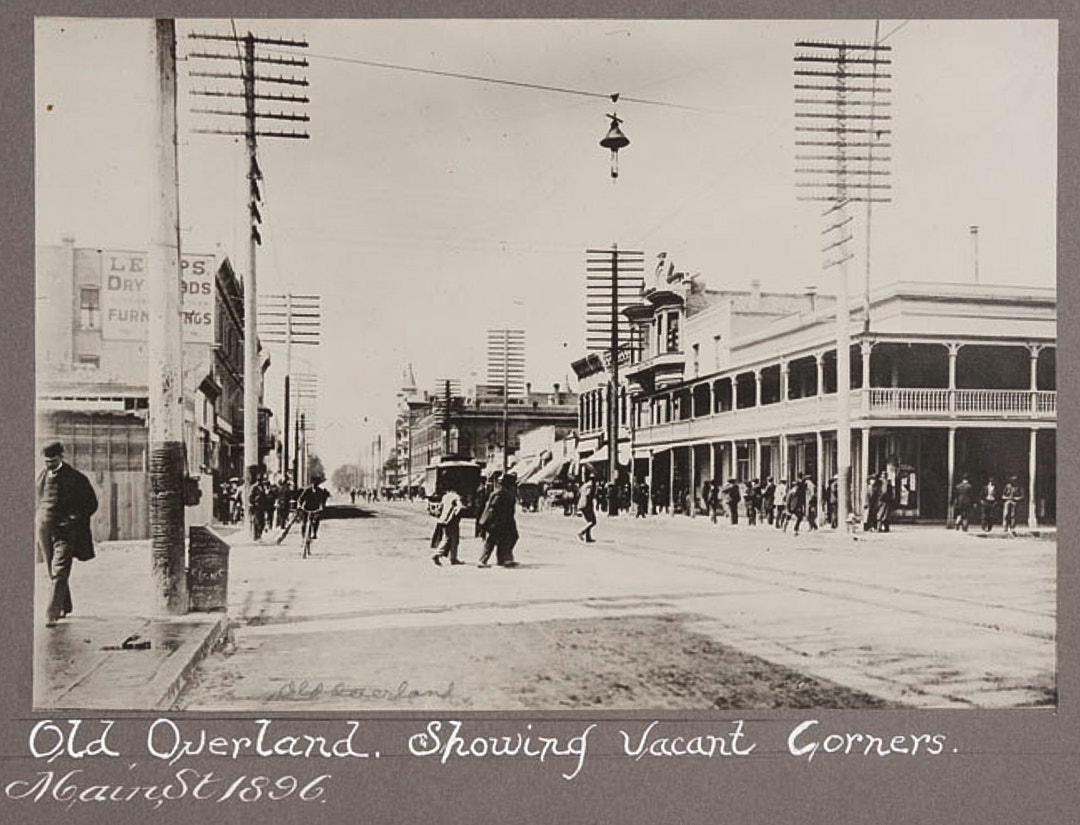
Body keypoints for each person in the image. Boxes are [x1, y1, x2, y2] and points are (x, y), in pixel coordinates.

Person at [35, 442, 98, 628]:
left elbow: (91, 504)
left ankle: (51, 614)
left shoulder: (76, 478)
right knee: (51, 570)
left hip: (66, 531)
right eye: (46, 462)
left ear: (61, 456)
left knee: (59, 570)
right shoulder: (40, 477)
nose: (49, 465)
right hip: (44, 529)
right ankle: (65, 605)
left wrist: (73, 518)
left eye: (53, 461)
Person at [477, 473, 519, 567]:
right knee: (493, 540)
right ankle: (483, 560)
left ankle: (503, 559)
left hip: (504, 521)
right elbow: (493, 508)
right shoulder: (501, 493)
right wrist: (490, 522)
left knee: (508, 538)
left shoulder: (503, 492)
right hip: (497, 521)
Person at [431, 486, 465, 566]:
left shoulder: (445, 496)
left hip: (443, 520)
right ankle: (437, 554)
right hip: (451, 521)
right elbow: (459, 507)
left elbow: (440, 507)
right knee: (452, 539)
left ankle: (453, 558)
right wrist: (456, 514)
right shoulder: (456, 497)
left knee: (449, 538)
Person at [296, 476, 330, 542]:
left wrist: (322, 506)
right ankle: (303, 536)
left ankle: (314, 533)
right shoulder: (307, 490)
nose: (315, 484)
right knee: (304, 523)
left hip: (315, 509)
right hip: (306, 508)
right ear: (312, 483)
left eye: (316, 483)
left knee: (316, 520)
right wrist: (300, 506)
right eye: (314, 482)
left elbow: (323, 499)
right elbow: (300, 499)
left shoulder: (320, 491)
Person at [576, 471, 597, 543]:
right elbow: (588, 495)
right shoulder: (590, 485)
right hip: (586, 504)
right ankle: (581, 532)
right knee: (593, 522)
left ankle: (588, 538)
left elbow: (578, 493)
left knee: (588, 521)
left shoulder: (584, 485)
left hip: (581, 503)